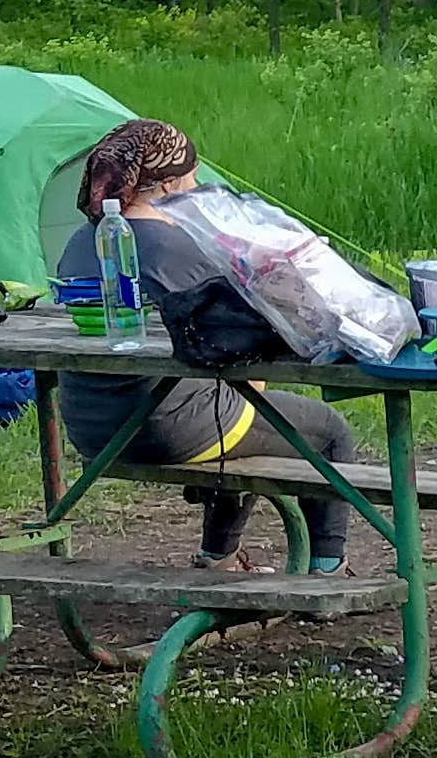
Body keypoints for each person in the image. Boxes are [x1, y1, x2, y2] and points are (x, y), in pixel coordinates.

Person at [56, 120, 360, 575]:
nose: (197, 188)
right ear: (169, 183)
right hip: (164, 427)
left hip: (91, 426)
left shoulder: (83, 240)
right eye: (193, 178)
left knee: (238, 405)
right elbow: (254, 326)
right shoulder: (180, 244)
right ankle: (328, 568)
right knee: (327, 431)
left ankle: (219, 557)